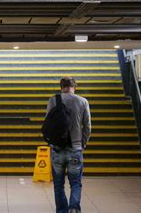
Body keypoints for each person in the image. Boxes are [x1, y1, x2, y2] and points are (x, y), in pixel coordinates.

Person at [46, 76, 91, 213]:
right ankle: (73, 208)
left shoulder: (53, 100)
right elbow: (88, 127)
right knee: (75, 183)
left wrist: (51, 142)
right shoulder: (83, 101)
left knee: (58, 185)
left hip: (57, 149)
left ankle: (62, 211)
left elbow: (48, 124)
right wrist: (82, 144)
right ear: (74, 86)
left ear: (61, 87)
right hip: (75, 148)